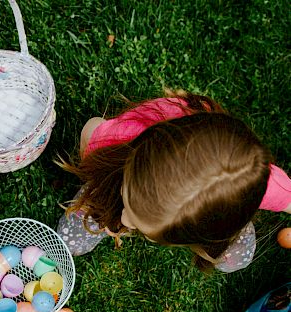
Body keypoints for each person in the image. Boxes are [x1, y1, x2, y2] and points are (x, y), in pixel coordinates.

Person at [57, 90, 291, 272]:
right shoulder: (116, 140)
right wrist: (93, 167)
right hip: (119, 165)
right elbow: (92, 127)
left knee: (233, 258)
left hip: (223, 210)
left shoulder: (260, 185)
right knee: (92, 213)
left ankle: (227, 219)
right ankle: (107, 199)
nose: (124, 219)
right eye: (127, 197)